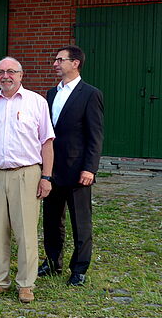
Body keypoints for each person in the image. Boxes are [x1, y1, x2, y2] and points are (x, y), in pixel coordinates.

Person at [0, 57, 55, 303]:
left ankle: (25, 284)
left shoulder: (36, 102)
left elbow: (47, 143)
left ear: (21, 75)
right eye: (1, 72)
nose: (6, 76)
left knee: (26, 233)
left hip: (26, 174)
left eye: (11, 71)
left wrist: (46, 177)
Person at [40, 45, 104, 286]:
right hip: (52, 170)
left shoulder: (90, 94)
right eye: (55, 59)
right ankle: (52, 260)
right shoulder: (50, 94)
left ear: (75, 63)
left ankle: (79, 268)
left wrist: (90, 168)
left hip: (78, 170)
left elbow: (95, 135)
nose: (55, 64)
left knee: (80, 221)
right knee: (51, 219)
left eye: (60, 60)